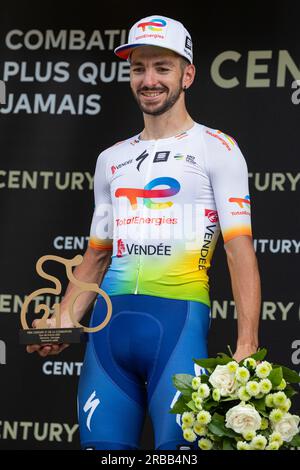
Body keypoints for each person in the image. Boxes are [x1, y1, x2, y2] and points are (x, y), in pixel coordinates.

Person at [27, 15, 261, 450]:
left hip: (176, 329)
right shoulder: (110, 159)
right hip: (108, 336)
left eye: (162, 68)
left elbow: (239, 251)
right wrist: (62, 322)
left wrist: (248, 343)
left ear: (188, 74)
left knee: (178, 457)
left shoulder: (218, 147)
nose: (148, 79)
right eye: (138, 68)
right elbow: (96, 258)